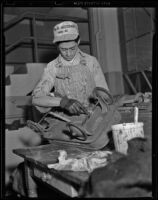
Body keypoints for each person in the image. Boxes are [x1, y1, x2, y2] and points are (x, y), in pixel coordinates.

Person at [10, 21, 110, 197]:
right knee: (60, 178)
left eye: (72, 48)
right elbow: (36, 98)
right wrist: (62, 102)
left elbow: (105, 94)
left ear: (78, 41)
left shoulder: (91, 62)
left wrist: (97, 96)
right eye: (64, 49)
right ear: (57, 46)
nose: (69, 53)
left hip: (92, 126)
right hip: (65, 128)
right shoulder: (52, 68)